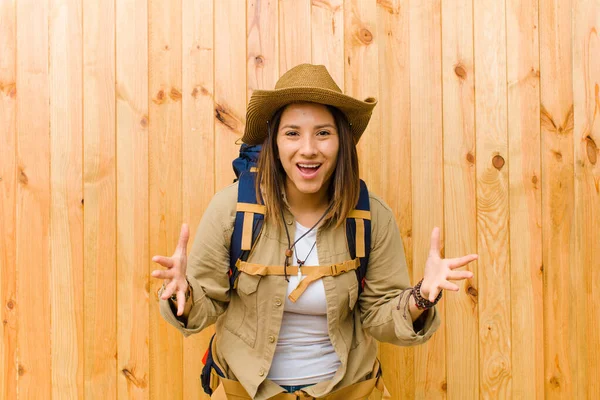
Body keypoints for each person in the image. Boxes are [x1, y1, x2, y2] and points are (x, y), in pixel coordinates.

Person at [151, 64, 477, 400]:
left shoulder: (371, 217)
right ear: (274, 142)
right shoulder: (232, 209)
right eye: (292, 133)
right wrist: (184, 292)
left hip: (349, 391)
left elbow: (380, 316)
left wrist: (421, 297)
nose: (308, 148)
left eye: (323, 133)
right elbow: (205, 306)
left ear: (342, 143)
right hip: (243, 391)